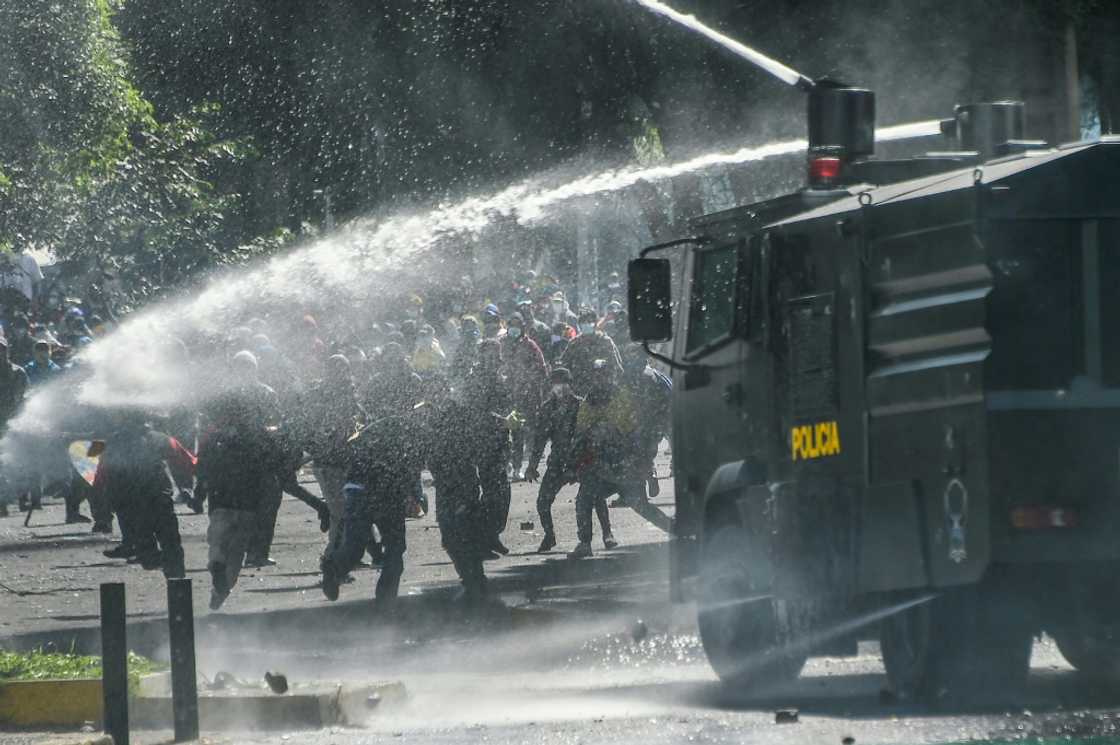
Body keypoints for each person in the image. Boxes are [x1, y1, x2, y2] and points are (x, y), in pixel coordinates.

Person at [197, 365, 286, 610]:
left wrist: (198, 491)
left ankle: (216, 567)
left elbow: (202, 463)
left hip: (220, 498)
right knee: (237, 549)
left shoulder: (216, 434)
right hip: (247, 499)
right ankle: (222, 589)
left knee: (217, 539)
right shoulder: (260, 434)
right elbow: (274, 462)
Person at [320, 411, 420, 606]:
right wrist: (414, 495)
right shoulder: (413, 434)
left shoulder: (386, 425)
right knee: (394, 547)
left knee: (356, 547)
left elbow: (352, 450)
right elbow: (408, 468)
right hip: (382, 493)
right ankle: (385, 600)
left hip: (359, 489)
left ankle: (334, 569)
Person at [94, 410, 195, 578]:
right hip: (156, 499)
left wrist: (102, 499)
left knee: (148, 552)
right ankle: (177, 583)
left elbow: (100, 474)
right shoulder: (161, 438)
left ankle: (170, 571)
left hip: (131, 504)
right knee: (169, 545)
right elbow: (186, 461)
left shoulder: (112, 442)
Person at [567, 359, 647, 558]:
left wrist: (639, 461)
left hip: (621, 462)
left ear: (610, 375)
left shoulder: (622, 397)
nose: (599, 378)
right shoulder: (588, 400)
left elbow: (631, 430)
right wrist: (576, 460)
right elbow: (582, 431)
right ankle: (585, 542)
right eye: (596, 374)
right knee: (585, 498)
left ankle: (677, 532)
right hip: (595, 461)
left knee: (640, 505)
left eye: (603, 373)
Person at [423, 379, 490, 604]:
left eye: (438, 392)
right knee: (449, 536)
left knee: (465, 531)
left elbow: (475, 445)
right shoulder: (431, 419)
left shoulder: (460, 415)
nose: (436, 398)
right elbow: (429, 453)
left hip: (464, 482)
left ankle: (475, 580)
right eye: (432, 394)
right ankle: (470, 579)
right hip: (444, 484)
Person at [304, 354, 364, 551]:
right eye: (336, 370)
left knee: (349, 510)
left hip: (347, 460)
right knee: (340, 513)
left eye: (343, 369)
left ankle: (347, 554)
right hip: (329, 462)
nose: (341, 374)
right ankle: (333, 558)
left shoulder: (351, 392)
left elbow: (358, 422)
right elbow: (316, 427)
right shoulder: (321, 395)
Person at [524, 367, 586, 553]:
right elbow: (540, 439)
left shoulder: (581, 406)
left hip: (582, 461)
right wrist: (532, 466)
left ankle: (607, 534)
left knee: (592, 498)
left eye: (563, 384)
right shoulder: (547, 409)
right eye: (556, 384)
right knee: (543, 502)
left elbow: (589, 436)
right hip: (558, 462)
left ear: (571, 385)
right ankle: (549, 536)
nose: (560, 388)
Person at [464, 338, 514, 557]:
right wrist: (500, 420)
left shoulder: (499, 378)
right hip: (483, 443)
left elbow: (509, 406)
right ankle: (483, 540)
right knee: (493, 493)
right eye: (489, 354)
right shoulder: (476, 380)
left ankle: (492, 535)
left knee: (502, 492)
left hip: (500, 442)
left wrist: (512, 418)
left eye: (496, 353)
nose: (494, 358)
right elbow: (477, 413)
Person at [502, 312, 547, 480]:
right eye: (511, 325)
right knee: (502, 433)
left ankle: (517, 467)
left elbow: (541, 368)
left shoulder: (530, 346)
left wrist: (528, 381)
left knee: (518, 432)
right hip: (504, 396)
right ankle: (505, 465)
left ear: (522, 328)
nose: (514, 329)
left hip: (524, 396)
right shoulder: (501, 344)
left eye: (517, 325)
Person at [558, 309, 623, 396]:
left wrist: (603, 365)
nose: (586, 325)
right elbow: (564, 365)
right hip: (579, 391)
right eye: (583, 323)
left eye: (589, 322)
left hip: (602, 392)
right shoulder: (574, 343)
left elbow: (617, 367)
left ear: (595, 324)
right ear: (579, 325)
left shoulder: (604, 341)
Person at [0, 334, 28, 518]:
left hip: (12, 423)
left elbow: (21, 398)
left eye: (2, 349)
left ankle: (20, 497)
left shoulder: (18, 372)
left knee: (14, 463)